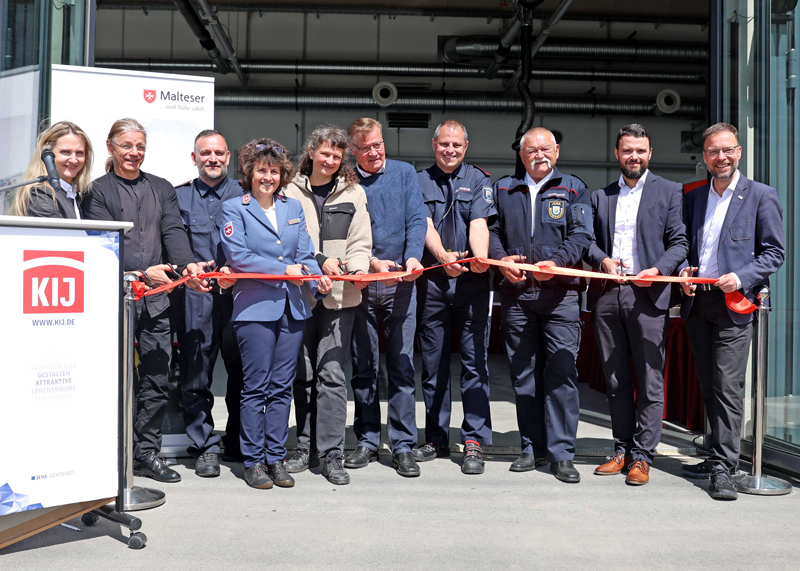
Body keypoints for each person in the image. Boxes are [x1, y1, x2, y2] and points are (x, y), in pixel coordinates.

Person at [82, 118, 206, 484]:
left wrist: (188, 266)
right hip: (113, 301)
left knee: (155, 378)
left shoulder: (162, 188)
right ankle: (109, 455)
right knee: (113, 380)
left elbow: (173, 232)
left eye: (139, 146)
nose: (133, 153)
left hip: (156, 301)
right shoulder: (97, 192)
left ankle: (145, 454)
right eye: (126, 145)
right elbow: (100, 243)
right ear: (110, 147)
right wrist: (140, 272)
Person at [679, 123, 785, 500]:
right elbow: (684, 248)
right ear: (704, 157)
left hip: (732, 305)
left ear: (738, 152)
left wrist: (740, 277)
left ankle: (726, 467)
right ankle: (715, 455)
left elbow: (775, 253)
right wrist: (683, 272)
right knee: (709, 385)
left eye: (726, 150)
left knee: (728, 387)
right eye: (712, 152)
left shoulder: (760, 195)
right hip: (698, 303)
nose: (720, 157)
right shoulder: (692, 197)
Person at [220, 138, 333, 490]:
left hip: (292, 308)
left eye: (273, 171)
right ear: (249, 174)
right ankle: (253, 461)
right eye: (261, 171)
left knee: (282, 387)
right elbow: (237, 257)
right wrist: (284, 272)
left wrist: (317, 284)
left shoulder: (292, 207)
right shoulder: (234, 209)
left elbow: (304, 252)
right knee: (255, 387)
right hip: (254, 307)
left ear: (282, 175)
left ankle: (275, 457)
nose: (267, 177)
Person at [584, 124, 688, 485]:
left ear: (650, 153)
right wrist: (602, 260)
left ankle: (643, 456)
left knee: (650, 379)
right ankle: (621, 449)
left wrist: (658, 269)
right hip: (608, 294)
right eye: (628, 150)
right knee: (615, 379)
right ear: (617, 153)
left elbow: (680, 243)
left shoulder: (670, 192)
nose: (634, 157)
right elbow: (587, 242)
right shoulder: (601, 196)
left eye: (640, 151)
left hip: (648, 294)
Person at [488, 127, 592, 483]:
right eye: (531, 150)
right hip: (516, 296)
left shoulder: (575, 188)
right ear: (521, 154)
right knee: (524, 375)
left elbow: (582, 235)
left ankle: (562, 454)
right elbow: (490, 232)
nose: (538, 155)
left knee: (561, 374)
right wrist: (502, 260)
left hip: (560, 297)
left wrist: (558, 264)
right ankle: (531, 446)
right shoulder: (503, 188)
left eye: (545, 148)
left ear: (557, 151)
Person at [282, 124, 372, 485]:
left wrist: (359, 270)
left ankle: (332, 453)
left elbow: (361, 240)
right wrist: (319, 261)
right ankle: (304, 448)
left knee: (332, 375)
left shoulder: (354, 192)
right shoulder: (289, 190)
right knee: (302, 375)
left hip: (340, 297)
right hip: (299, 295)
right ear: (312, 153)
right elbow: (287, 240)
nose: (331, 159)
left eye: (337, 155)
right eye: (325, 152)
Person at [345, 118, 427, 478]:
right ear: (353, 151)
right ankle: (366, 439)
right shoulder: (345, 179)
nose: (375, 152)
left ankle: (403, 444)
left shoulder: (405, 173)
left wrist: (413, 256)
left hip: (401, 283)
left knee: (402, 365)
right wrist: (366, 264)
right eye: (366, 148)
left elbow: (416, 219)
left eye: (378, 144)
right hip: (361, 285)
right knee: (364, 367)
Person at [414, 120, 495, 475]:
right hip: (433, 282)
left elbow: (480, 223)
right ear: (434, 145)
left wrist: (478, 259)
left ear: (466, 146)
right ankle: (436, 436)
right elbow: (425, 224)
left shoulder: (479, 180)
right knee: (434, 366)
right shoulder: (418, 180)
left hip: (472, 285)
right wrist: (443, 257)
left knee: (475, 365)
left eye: (457, 145)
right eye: (444, 144)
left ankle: (474, 440)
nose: (450, 150)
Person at [174, 129, 245, 477]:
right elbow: (171, 241)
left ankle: (236, 441)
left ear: (228, 157)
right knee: (196, 375)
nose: (213, 159)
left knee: (243, 373)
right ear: (195, 158)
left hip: (241, 298)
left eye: (219, 153)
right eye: (206, 153)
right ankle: (204, 447)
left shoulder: (246, 196)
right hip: (196, 298)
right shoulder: (179, 198)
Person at [11, 121, 93, 219]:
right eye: (65, 152)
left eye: (79, 152)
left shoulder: (77, 196)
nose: (73, 159)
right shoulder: (40, 195)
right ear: (47, 155)